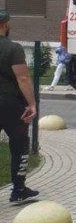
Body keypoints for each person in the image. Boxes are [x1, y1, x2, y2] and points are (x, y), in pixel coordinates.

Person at [0, 10, 39, 203]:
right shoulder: (13, 48)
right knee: (20, 143)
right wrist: (31, 104)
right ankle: (19, 189)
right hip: (10, 103)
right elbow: (22, 77)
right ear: (6, 24)